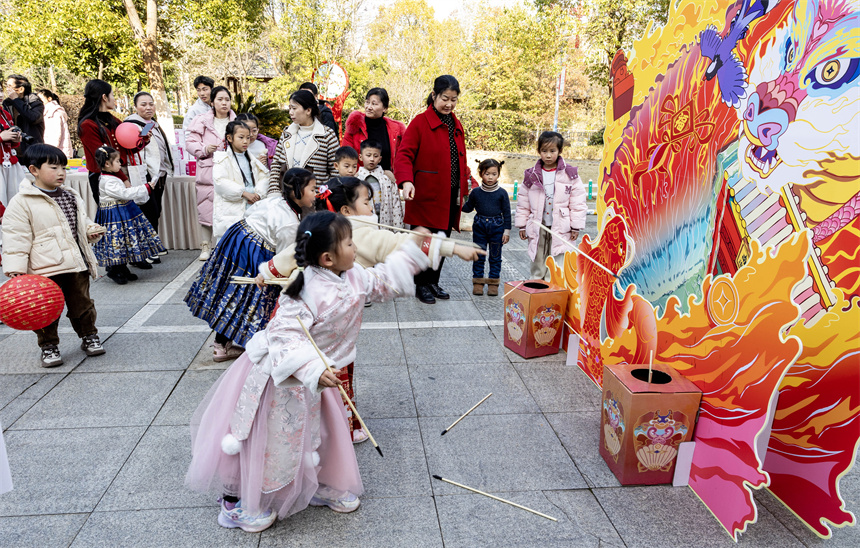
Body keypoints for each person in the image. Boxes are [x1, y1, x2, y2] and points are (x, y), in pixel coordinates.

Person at [185, 210, 440, 532]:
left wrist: (413, 249)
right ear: (328, 258)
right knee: (270, 439)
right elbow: (283, 335)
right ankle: (238, 503)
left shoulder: (355, 275)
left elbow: (384, 281)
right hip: (282, 379)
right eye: (349, 242)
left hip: (319, 376)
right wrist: (311, 369)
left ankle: (320, 483)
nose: (355, 246)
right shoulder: (303, 290)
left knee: (323, 433)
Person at [258, 177, 483, 442]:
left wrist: (269, 271)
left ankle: (340, 428)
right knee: (307, 394)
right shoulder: (352, 234)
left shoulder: (349, 263)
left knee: (337, 380)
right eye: (366, 202)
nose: (372, 209)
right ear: (346, 211)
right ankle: (320, 432)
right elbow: (287, 334)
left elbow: (383, 277)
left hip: (335, 339)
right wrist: (451, 247)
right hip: (308, 347)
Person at [184, 168, 316, 362]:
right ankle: (249, 344)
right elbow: (284, 259)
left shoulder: (275, 200)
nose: (316, 193)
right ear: (297, 191)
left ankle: (221, 344)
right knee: (247, 296)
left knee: (231, 292)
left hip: (236, 238)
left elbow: (252, 211)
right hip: (255, 250)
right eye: (312, 189)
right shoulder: (289, 223)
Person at [1, 144, 106, 367]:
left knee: (83, 305)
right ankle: (48, 346)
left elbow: (80, 222)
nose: (61, 173)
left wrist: (90, 231)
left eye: (63, 168)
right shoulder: (22, 201)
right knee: (45, 311)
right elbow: (15, 236)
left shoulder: (70, 195)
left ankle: (89, 336)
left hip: (76, 264)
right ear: (34, 169)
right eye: (54, 167)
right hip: (43, 270)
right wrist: (16, 268)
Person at [394, 75, 476, 304]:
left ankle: (433, 282)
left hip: (449, 195)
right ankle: (420, 284)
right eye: (444, 98)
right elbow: (404, 155)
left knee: (442, 241)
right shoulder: (420, 122)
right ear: (434, 96)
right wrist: (406, 181)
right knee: (425, 242)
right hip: (426, 194)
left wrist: (468, 183)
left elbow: (460, 159)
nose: (449, 104)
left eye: (453, 99)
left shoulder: (456, 124)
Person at [515, 131, 587, 280]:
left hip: (561, 226)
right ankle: (535, 285)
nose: (548, 155)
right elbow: (523, 202)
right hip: (538, 224)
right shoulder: (532, 175)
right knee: (538, 256)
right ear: (539, 151)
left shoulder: (570, 175)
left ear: (560, 151)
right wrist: (522, 225)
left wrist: (575, 226)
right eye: (544, 151)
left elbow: (578, 202)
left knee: (557, 258)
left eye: (552, 151)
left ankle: (553, 288)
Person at [92, 146, 165, 284]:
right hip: (114, 215)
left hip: (121, 212)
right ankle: (115, 270)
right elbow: (125, 193)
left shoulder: (110, 177)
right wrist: (146, 188)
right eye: (118, 161)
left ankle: (123, 268)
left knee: (124, 240)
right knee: (116, 241)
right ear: (107, 164)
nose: (120, 164)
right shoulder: (108, 181)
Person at [78, 79, 148, 203]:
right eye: (112, 95)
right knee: (112, 217)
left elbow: (127, 148)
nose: (114, 99)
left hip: (122, 172)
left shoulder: (112, 119)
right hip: (104, 177)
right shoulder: (87, 124)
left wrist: (143, 140)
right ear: (104, 97)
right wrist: (124, 179)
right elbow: (102, 157)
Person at [187, 86, 236, 261]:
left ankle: (226, 246)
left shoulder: (237, 122)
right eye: (220, 99)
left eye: (227, 99)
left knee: (229, 209)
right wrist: (204, 149)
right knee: (206, 208)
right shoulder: (202, 120)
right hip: (208, 171)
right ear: (213, 102)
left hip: (231, 171)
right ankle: (205, 246)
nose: (224, 103)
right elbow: (190, 143)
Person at [125, 92, 176, 248]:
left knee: (156, 211)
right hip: (144, 175)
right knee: (148, 212)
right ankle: (146, 248)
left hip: (159, 174)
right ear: (135, 107)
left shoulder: (153, 123)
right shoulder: (131, 125)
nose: (148, 107)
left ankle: (152, 246)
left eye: (151, 104)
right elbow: (134, 151)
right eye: (143, 104)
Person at [267, 90, 338, 197]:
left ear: (308, 110)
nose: (290, 112)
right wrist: (274, 192)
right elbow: (276, 164)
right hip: (286, 198)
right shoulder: (287, 133)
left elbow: (336, 169)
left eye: (294, 108)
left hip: (316, 200)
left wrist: (326, 195)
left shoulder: (327, 135)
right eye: (290, 108)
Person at [212, 120, 268, 241]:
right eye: (241, 137)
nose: (245, 141)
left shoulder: (253, 159)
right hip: (232, 209)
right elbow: (220, 182)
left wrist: (258, 194)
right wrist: (244, 193)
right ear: (230, 138)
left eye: (248, 138)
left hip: (252, 204)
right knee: (232, 243)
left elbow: (264, 177)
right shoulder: (222, 159)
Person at [462, 158, 511, 296]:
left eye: (494, 174)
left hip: (497, 227)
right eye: (487, 173)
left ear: (498, 174)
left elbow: (507, 213)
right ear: (481, 174)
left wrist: (506, 231)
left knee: (495, 256)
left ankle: (493, 283)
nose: (490, 177)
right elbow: (468, 208)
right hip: (479, 226)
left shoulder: (502, 193)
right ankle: (478, 282)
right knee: (478, 254)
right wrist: (459, 200)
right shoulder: (476, 192)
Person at [342, 88, 406, 172]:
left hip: (388, 180)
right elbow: (347, 156)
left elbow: (403, 158)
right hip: (360, 180)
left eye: (374, 104)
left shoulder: (397, 129)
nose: (369, 107)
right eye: (367, 102)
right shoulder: (354, 125)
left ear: (385, 108)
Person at [356, 139, 401, 228]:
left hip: (386, 224)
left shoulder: (387, 179)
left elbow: (396, 205)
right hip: (365, 226)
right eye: (368, 155)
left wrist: (398, 230)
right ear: (360, 157)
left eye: (375, 156)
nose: (372, 159)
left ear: (380, 159)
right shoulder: (356, 180)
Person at [2, 75, 44, 158]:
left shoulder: (34, 101)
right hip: (13, 149)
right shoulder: (7, 103)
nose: (7, 89)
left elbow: (33, 118)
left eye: (9, 86)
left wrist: (16, 100)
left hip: (32, 148)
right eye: (6, 86)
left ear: (21, 89)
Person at [37, 89, 72, 158]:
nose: (39, 102)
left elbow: (54, 135)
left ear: (49, 98)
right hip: (59, 151)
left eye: (41, 99)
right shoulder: (49, 111)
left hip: (56, 153)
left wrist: (49, 152)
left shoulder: (53, 113)